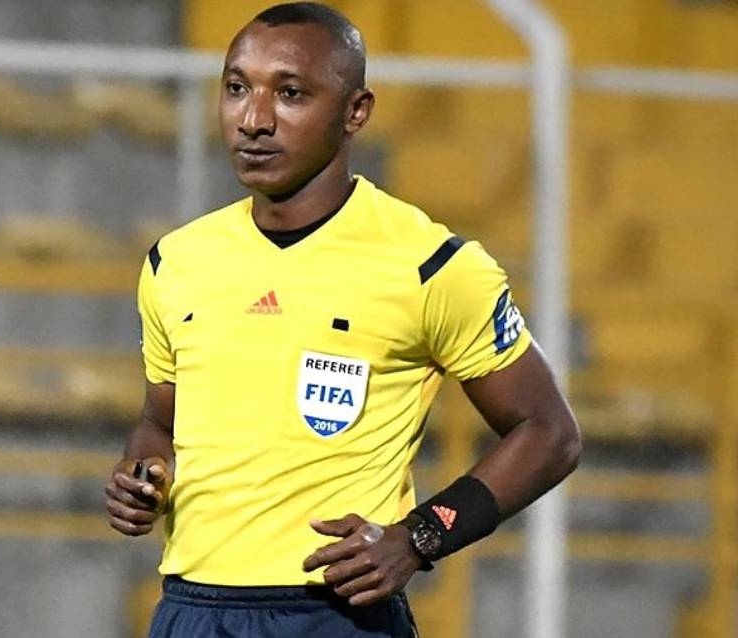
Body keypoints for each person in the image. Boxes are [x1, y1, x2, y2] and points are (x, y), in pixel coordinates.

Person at [104, 3, 582, 637]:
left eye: (291, 94)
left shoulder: (429, 265)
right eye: (237, 88)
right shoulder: (176, 262)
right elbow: (158, 422)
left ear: (356, 111)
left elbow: (549, 432)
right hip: (191, 613)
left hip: (333, 614)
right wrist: (144, 475)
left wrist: (419, 537)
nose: (253, 119)